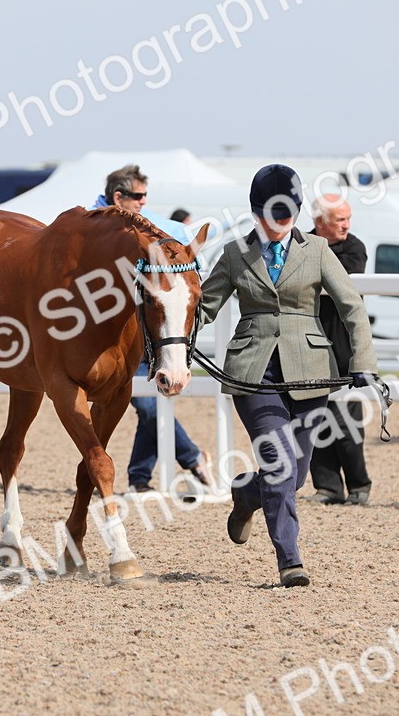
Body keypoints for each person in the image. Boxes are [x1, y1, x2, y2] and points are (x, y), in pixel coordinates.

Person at [200, 164, 379, 587]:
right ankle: (290, 560)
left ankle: (246, 494)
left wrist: (363, 363)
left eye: (288, 216)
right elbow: (204, 307)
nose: (281, 225)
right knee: (280, 465)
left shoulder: (317, 250)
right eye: (273, 216)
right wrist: (170, 343)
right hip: (253, 371)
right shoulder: (233, 254)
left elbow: (352, 306)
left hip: (309, 373)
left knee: (295, 476)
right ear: (255, 212)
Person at [91, 165, 213, 492]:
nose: (144, 203)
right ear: (119, 197)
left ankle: (140, 479)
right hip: (108, 336)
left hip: (146, 330)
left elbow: (186, 241)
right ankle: (191, 458)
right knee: (146, 404)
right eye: (139, 197)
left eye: (146, 196)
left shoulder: (149, 224)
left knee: (151, 400)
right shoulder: (89, 223)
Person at [307, 194, 372, 505]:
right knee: (314, 415)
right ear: (320, 222)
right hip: (310, 341)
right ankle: (328, 487)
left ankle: (359, 486)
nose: (346, 224)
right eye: (339, 219)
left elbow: (336, 281)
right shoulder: (301, 243)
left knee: (347, 418)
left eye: (348, 218)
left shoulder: (355, 248)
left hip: (344, 341)